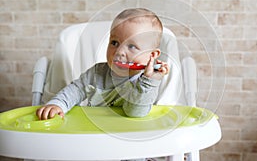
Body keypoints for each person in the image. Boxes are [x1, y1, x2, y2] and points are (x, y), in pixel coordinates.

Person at [36, 8, 170, 120]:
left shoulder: (146, 84)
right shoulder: (97, 73)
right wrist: (58, 104)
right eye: (114, 43)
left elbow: (135, 113)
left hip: (130, 140)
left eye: (132, 46)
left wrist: (149, 81)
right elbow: (75, 90)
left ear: (151, 56)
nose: (120, 52)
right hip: (95, 135)